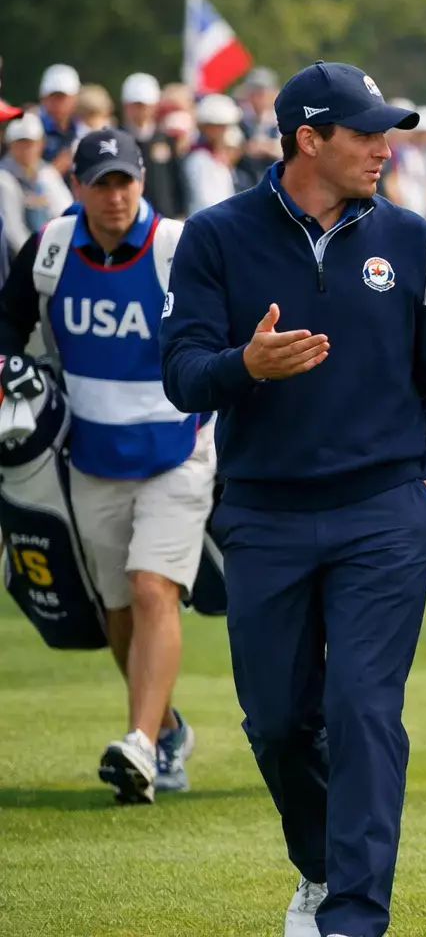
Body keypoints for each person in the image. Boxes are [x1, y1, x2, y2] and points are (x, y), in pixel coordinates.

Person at [159, 61, 426, 937]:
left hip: (387, 511)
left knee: (364, 710)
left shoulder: (415, 239)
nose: (386, 148)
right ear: (308, 138)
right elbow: (182, 374)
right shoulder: (217, 238)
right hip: (265, 514)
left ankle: (354, 915)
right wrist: (243, 367)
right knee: (278, 722)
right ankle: (322, 868)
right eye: (367, 133)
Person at [0, 128, 210, 803]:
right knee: (118, 611)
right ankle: (168, 728)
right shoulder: (52, 248)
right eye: (101, 183)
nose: (115, 196)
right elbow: (8, 322)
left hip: (178, 450)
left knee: (153, 590)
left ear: (141, 182)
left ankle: (141, 748)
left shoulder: (179, 247)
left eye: (125, 181)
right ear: (79, 186)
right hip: (91, 457)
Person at [0, 112, 73, 260]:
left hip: (49, 254)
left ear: (41, 143)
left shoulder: (47, 174)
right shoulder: (3, 178)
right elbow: (13, 232)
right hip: (17, 260)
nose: (26, 149)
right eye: (20, 143)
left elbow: (66, 213)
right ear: (10, 145)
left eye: (31, 143)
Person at [121, 73, 189, 218]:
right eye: (135, 105)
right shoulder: (117, 140)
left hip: (163, 217)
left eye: (144, 105)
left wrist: (180, 213)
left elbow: (177, 179)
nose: (140, 110)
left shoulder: (167, 139)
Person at [183, 94, 244, 212]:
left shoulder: (218, 157)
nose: (225, 132)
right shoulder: (199, 158)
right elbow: (207, 201)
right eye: (221, 127)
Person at [37, 63, 86, 169]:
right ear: (43, 97)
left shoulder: (83, 131)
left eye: (62, 97)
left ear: (75, 98)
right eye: (52, 96)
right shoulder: (32, 129)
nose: (56, 103)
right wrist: (55, 171)